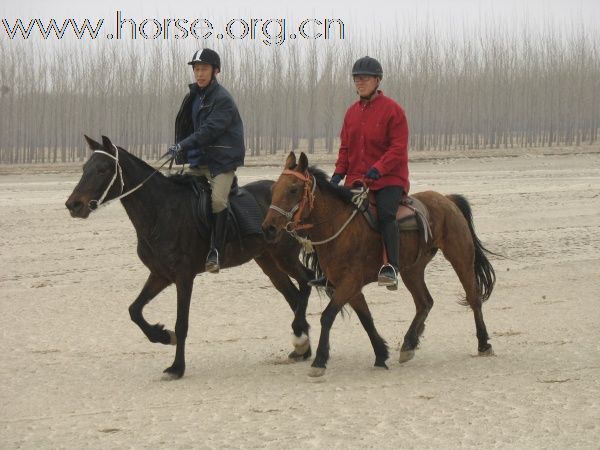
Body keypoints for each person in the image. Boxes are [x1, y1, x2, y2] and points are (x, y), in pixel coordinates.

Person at [330, 56, 410, 290]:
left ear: (377, 80)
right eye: (356, 78)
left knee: (386, 215)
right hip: (356, 178)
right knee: (333, 214)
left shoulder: (394, 111)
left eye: (364, 78)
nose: (360, 82)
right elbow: (345, 148)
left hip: (388, 179)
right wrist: (337, 175)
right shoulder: (351, 113)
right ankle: (332, 269)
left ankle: (391, 267)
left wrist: (379, 168)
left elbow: (398, 148)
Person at [169, 48, 245, 274]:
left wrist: (182, 145)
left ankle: (216, 252)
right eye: (196, 69)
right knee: (176, 193)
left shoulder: (223, 100)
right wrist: (182, 150)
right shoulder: (194, 96)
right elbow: (187, 126)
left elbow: (209, 131)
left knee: (218, 202)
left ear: (215, 71)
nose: (199, 74)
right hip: (198, 163)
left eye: (204, 69)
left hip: (221, 163)